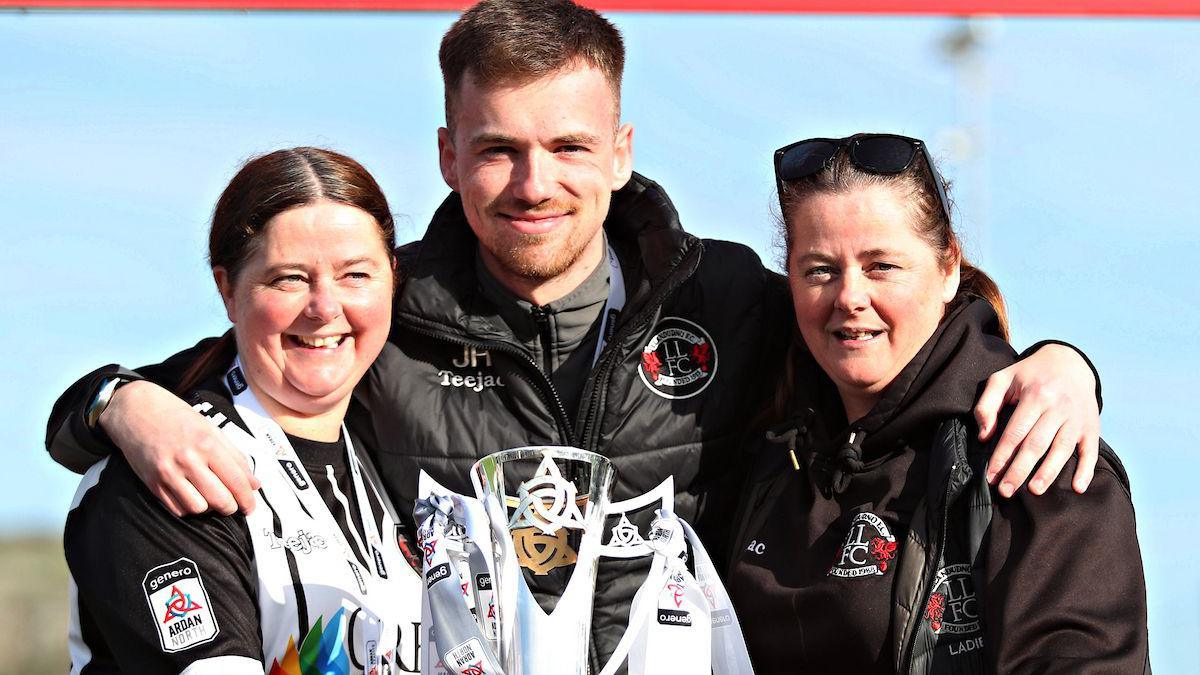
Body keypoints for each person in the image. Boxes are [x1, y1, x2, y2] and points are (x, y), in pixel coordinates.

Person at [48, 1, 1104, 669]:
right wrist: (111, 400)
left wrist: (1051, 365)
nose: (534, 183)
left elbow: (883, 328)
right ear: (449, 154)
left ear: (620, 149)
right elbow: (256, 374)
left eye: (567, 145)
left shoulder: (728, 297)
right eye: (498, 149)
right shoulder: (380, 306)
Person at [728, 134, 1148, 674]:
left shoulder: (1036, 450)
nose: (850, 296)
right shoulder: (765, 442)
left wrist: (1070, 365)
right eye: (820, 270)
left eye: (882, 266)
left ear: (948, 265)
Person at [64, 148, 424, 674]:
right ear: (228, 290)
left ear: (393, 277)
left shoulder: (392, 447)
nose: (325, 308)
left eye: (355, 275)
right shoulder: (170, 470)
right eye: (288, 279)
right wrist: (117, 400)